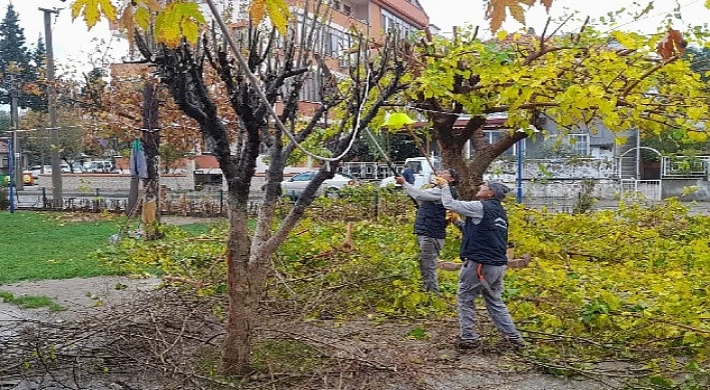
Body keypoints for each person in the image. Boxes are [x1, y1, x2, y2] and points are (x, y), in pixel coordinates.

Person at [434, 179, 525, 350]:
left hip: (480, 265)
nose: (480, 187)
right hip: (498, 265)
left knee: (465, 298)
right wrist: (457, 221)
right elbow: (481, 232)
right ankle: (513, 338)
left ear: (490, 193)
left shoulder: (480, 206)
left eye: (484, 187)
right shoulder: (500, 213)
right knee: (495, 301)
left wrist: (445, 186)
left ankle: (468, 337)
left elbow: (449, 203)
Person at [395, 168, 459, 293]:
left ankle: (433, 296)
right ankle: (428, 292)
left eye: (444, 174)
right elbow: (420, 198)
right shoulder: (437, 190)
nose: (439, 175)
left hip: (431, 233)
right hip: (427, 231)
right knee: (425, 264)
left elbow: (419, 195)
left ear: (451, 179)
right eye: (439, 173)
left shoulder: (445, 192)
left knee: (428, 266)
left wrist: (404, 183)